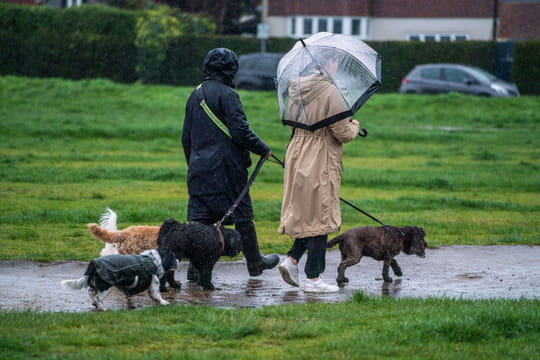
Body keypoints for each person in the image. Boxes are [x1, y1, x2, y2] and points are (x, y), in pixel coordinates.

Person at [182, 48, 279, 279]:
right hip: (227, 168)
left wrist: (195, 162)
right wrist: (262, 148)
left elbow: (186, 137)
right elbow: (240, 132)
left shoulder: (194, 95)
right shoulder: (228, 95)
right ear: (231, 69)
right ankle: (255, 263)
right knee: (242, 214)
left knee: (200, 219)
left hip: (198, 167)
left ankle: (195, 270)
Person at [277, 51, 360, 292]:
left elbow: (293, 123)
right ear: (329, 63)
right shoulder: (330, 91)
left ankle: (292, 261)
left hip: (298, 153)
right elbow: (342, 133)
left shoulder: (295, 88)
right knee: (320, 217)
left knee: (307, 213)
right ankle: (313, 278)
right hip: (319, 156)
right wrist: (354, 125)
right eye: (335, 61)